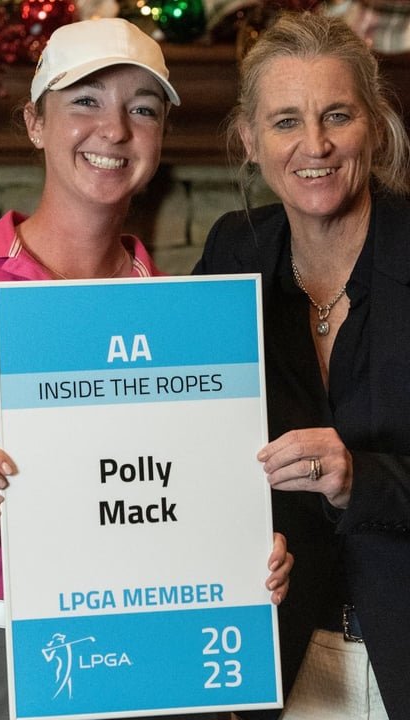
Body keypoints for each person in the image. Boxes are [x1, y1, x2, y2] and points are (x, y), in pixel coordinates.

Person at [0, 18, 293, 719]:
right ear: (34, 122)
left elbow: (196, 488)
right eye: (86, 100)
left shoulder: (185, 317)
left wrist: (249, 546)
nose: (116, 129)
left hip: (163, 644)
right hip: (14, 640)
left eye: (143, 109)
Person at [192, 12, 410, 719]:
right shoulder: (233, 251)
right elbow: (188, 431)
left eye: (337, 115)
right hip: (284, 659)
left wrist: (362, 478)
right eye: (286, 121)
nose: (314, 145)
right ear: (251, 140)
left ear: (373, 126)